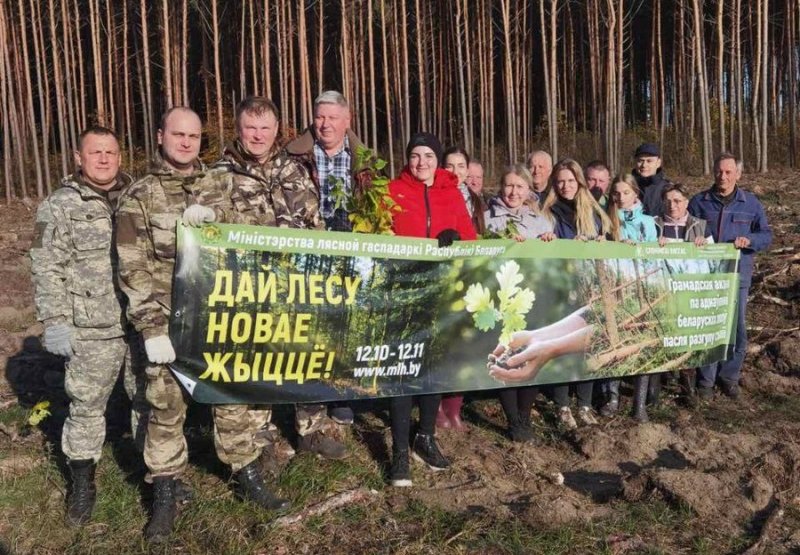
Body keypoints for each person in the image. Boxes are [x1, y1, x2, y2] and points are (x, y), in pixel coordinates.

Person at [116, 107, 289, 543]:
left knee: (229, 400)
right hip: (168, 325)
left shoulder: (220, 184)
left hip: (219, 320)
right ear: (160, 136)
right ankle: (165, 493)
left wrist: (220, 224)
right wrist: (151, 327)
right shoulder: (140, 195)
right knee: (165, 409)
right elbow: (131, 267)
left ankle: (244, 471)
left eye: (194, 135)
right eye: (179, 134)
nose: (187, 142)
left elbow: (251, 237)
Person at [29, 126, 148, 526]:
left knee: (149, 404)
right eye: (95, 152)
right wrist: (56, 322)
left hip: (140, 323)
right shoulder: (60, 205)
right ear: (79, 158)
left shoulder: (139, 197)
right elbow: (46, 267)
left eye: (111, 152)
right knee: (86, 408)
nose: (103, 159)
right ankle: (83, 482)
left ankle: (157, 475)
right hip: (90, 328)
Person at [216, 96, 346, 460]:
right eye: (250, 128)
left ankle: (311, 429)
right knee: (259, 363)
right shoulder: (220, 175)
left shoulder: (293, 169)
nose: (258, 135)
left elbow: (314, 222)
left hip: (298, 287)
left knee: (307, 356)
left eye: (265, 128)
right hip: (250, 290)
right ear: (239, 130)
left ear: (276, 130)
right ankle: (262, 438)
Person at [387, 132, 477, 486]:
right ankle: (398, 452)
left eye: (428, 156)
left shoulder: (450, 192)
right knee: (402, 368)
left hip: (441, 292)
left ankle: (425, 436)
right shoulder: (393, 191)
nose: (421, 162)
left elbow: (469, 239)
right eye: (414, 156)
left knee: (432, 366)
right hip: (403, 292)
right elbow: (380, 236)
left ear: (438, 160)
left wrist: (453, 237)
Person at [286, 90, 365, 426]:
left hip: (351, 250)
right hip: (309, 252)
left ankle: (342, 393)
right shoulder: (293, 157)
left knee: (345, 325)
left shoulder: (367, 161)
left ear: (347, 121)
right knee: (310, 327)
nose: (326, 124)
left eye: (333, 118)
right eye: (320, 117)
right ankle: (311, 396)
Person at [688, 152, 772, 400]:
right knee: (708, 327)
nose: (722, 176)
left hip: (738, 276)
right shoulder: (699, 202)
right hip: (707, 278)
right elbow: (687, 231)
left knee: (737, 330)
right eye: (718, 172)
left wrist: (750, 240)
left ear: (738, 174)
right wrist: (694, 239)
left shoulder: (751, 203)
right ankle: (705, 382)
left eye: (728, 172)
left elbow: (766, 235)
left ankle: (729, 378)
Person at [483, 165, 554, 441]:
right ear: (501, 187)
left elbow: (553, 257)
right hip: (501, 299)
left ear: (528, 191)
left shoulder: (540, 221)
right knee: (505, 359)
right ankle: (513, 421)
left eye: (520, 187)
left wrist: (549, 242)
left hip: (532, 299)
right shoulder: (488, 219)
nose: (513, 192)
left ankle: (525, 418)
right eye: (509, 186)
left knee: (531, 357)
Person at [541, 158, 611, 429]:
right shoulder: (547, 213)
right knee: (563, 347)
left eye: (570, 180)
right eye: (560, 181)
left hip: (589, 286)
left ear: (579, 182)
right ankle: (562, 406)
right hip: (560, 289)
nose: (566, 186)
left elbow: (607, 241)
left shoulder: (592, 211)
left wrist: (604, 242)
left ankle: (584, 403)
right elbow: (543, 249)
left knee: (588, 345)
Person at [602, 174, 658, 422]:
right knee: (616, 339)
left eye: (626, 192)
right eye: (616, 193)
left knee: (642, 341)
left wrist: (635, 247)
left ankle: (640, 403)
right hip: (615, 287)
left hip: (642, 287)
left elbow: (653, 255)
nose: (621, 197)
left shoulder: (647, 222)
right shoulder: (607, 220)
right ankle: (612, 397)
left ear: (635, 193)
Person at [655, 182, 713, 405]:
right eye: (668, 201)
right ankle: (664, 383)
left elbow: (715, 259)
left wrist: (704, 247)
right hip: (663, 290)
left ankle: (687, 387)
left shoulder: (700, 226)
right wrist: (653, 243)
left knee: (687, 336)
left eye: (678, 201)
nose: (673, 205)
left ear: (687, 202)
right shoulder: (654, 225)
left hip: (690, 291)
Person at [444, 147, 486, 236]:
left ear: (467, 171)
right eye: (449, 166)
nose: (455, 172)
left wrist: (509, 240)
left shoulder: (475, 201)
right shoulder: (432, 196)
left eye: (461, 166)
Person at [631, 143, 669, 216]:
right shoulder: (626, 187)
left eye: (649, 161)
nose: (644, 165)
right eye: (640, 161)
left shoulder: (667, 188)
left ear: (658, 163)